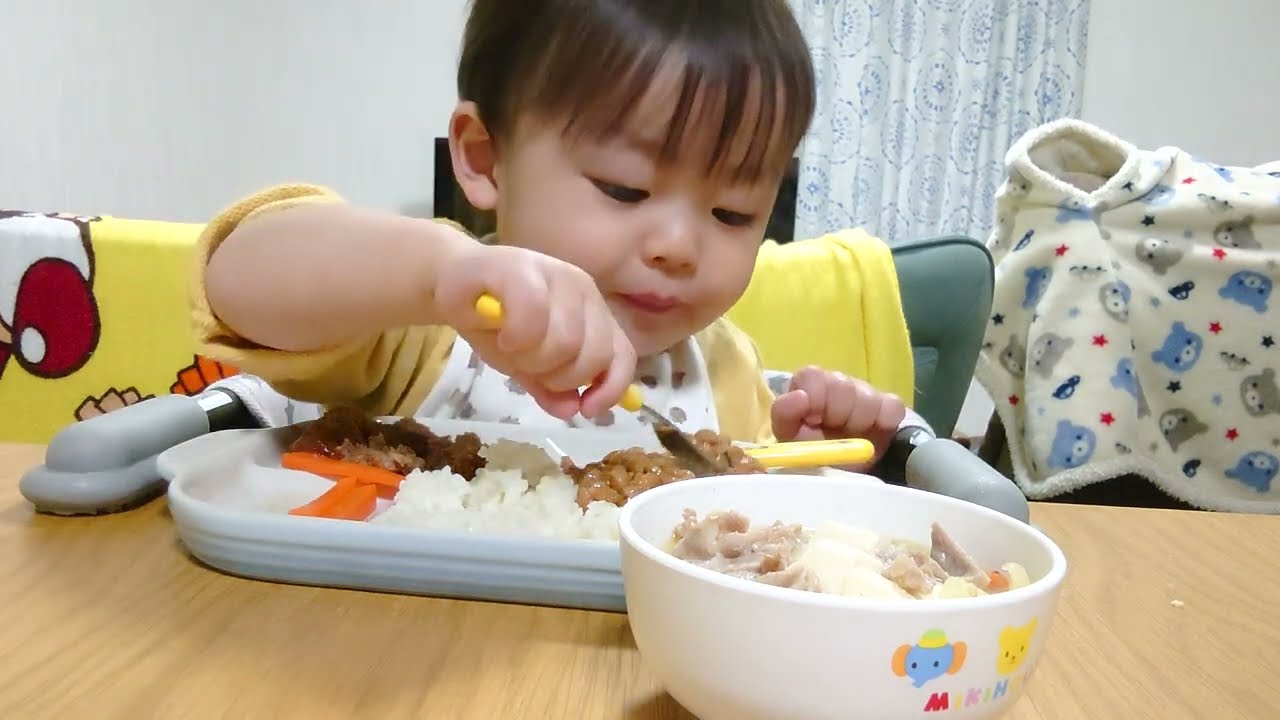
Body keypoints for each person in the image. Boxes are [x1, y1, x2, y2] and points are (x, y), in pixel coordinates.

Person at [195, 0, 917, 471]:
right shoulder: (427, 323)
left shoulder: (726, 374)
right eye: (624, 189)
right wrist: (439, 273)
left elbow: (738, 516)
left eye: (732, 212)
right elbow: (238, 275)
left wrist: (807, 463)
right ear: (484, 157)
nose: (680, 246)